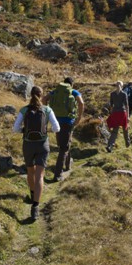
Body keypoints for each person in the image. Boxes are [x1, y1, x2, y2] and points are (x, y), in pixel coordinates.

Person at [13, 86, 60, 221]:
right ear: (41, 95)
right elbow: (57, 128)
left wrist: (24, 131)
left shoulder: (24, 110)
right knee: (40, 175)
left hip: (28, 144)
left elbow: (15, 129)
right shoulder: (47, 109)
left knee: (30, 172)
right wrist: (46, 130)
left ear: (30, 94)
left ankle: (32, 194)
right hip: (42, 144)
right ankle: (35, 206)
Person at [43, 77, 84, 181]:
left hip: (56, 122)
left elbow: (44, 99)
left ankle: (68, 164)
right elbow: (81, 103)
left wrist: (49, 114)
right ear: (71, 84)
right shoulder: (73, 91)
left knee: (65, 143)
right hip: (68, 122)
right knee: (63, 148)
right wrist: (79, 118)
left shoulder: (55, 91)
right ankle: (58, 175)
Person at [106, 81, 131, 153]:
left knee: (115, 130)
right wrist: (128, 116)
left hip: (116, 113)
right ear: (122, 86)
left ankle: (110, 145)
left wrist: (111, 113)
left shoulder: (112, 94)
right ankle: (127, 144)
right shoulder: (124, 94)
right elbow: (127, 106)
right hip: (122, 113)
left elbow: (111, 105)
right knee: (125, 129)